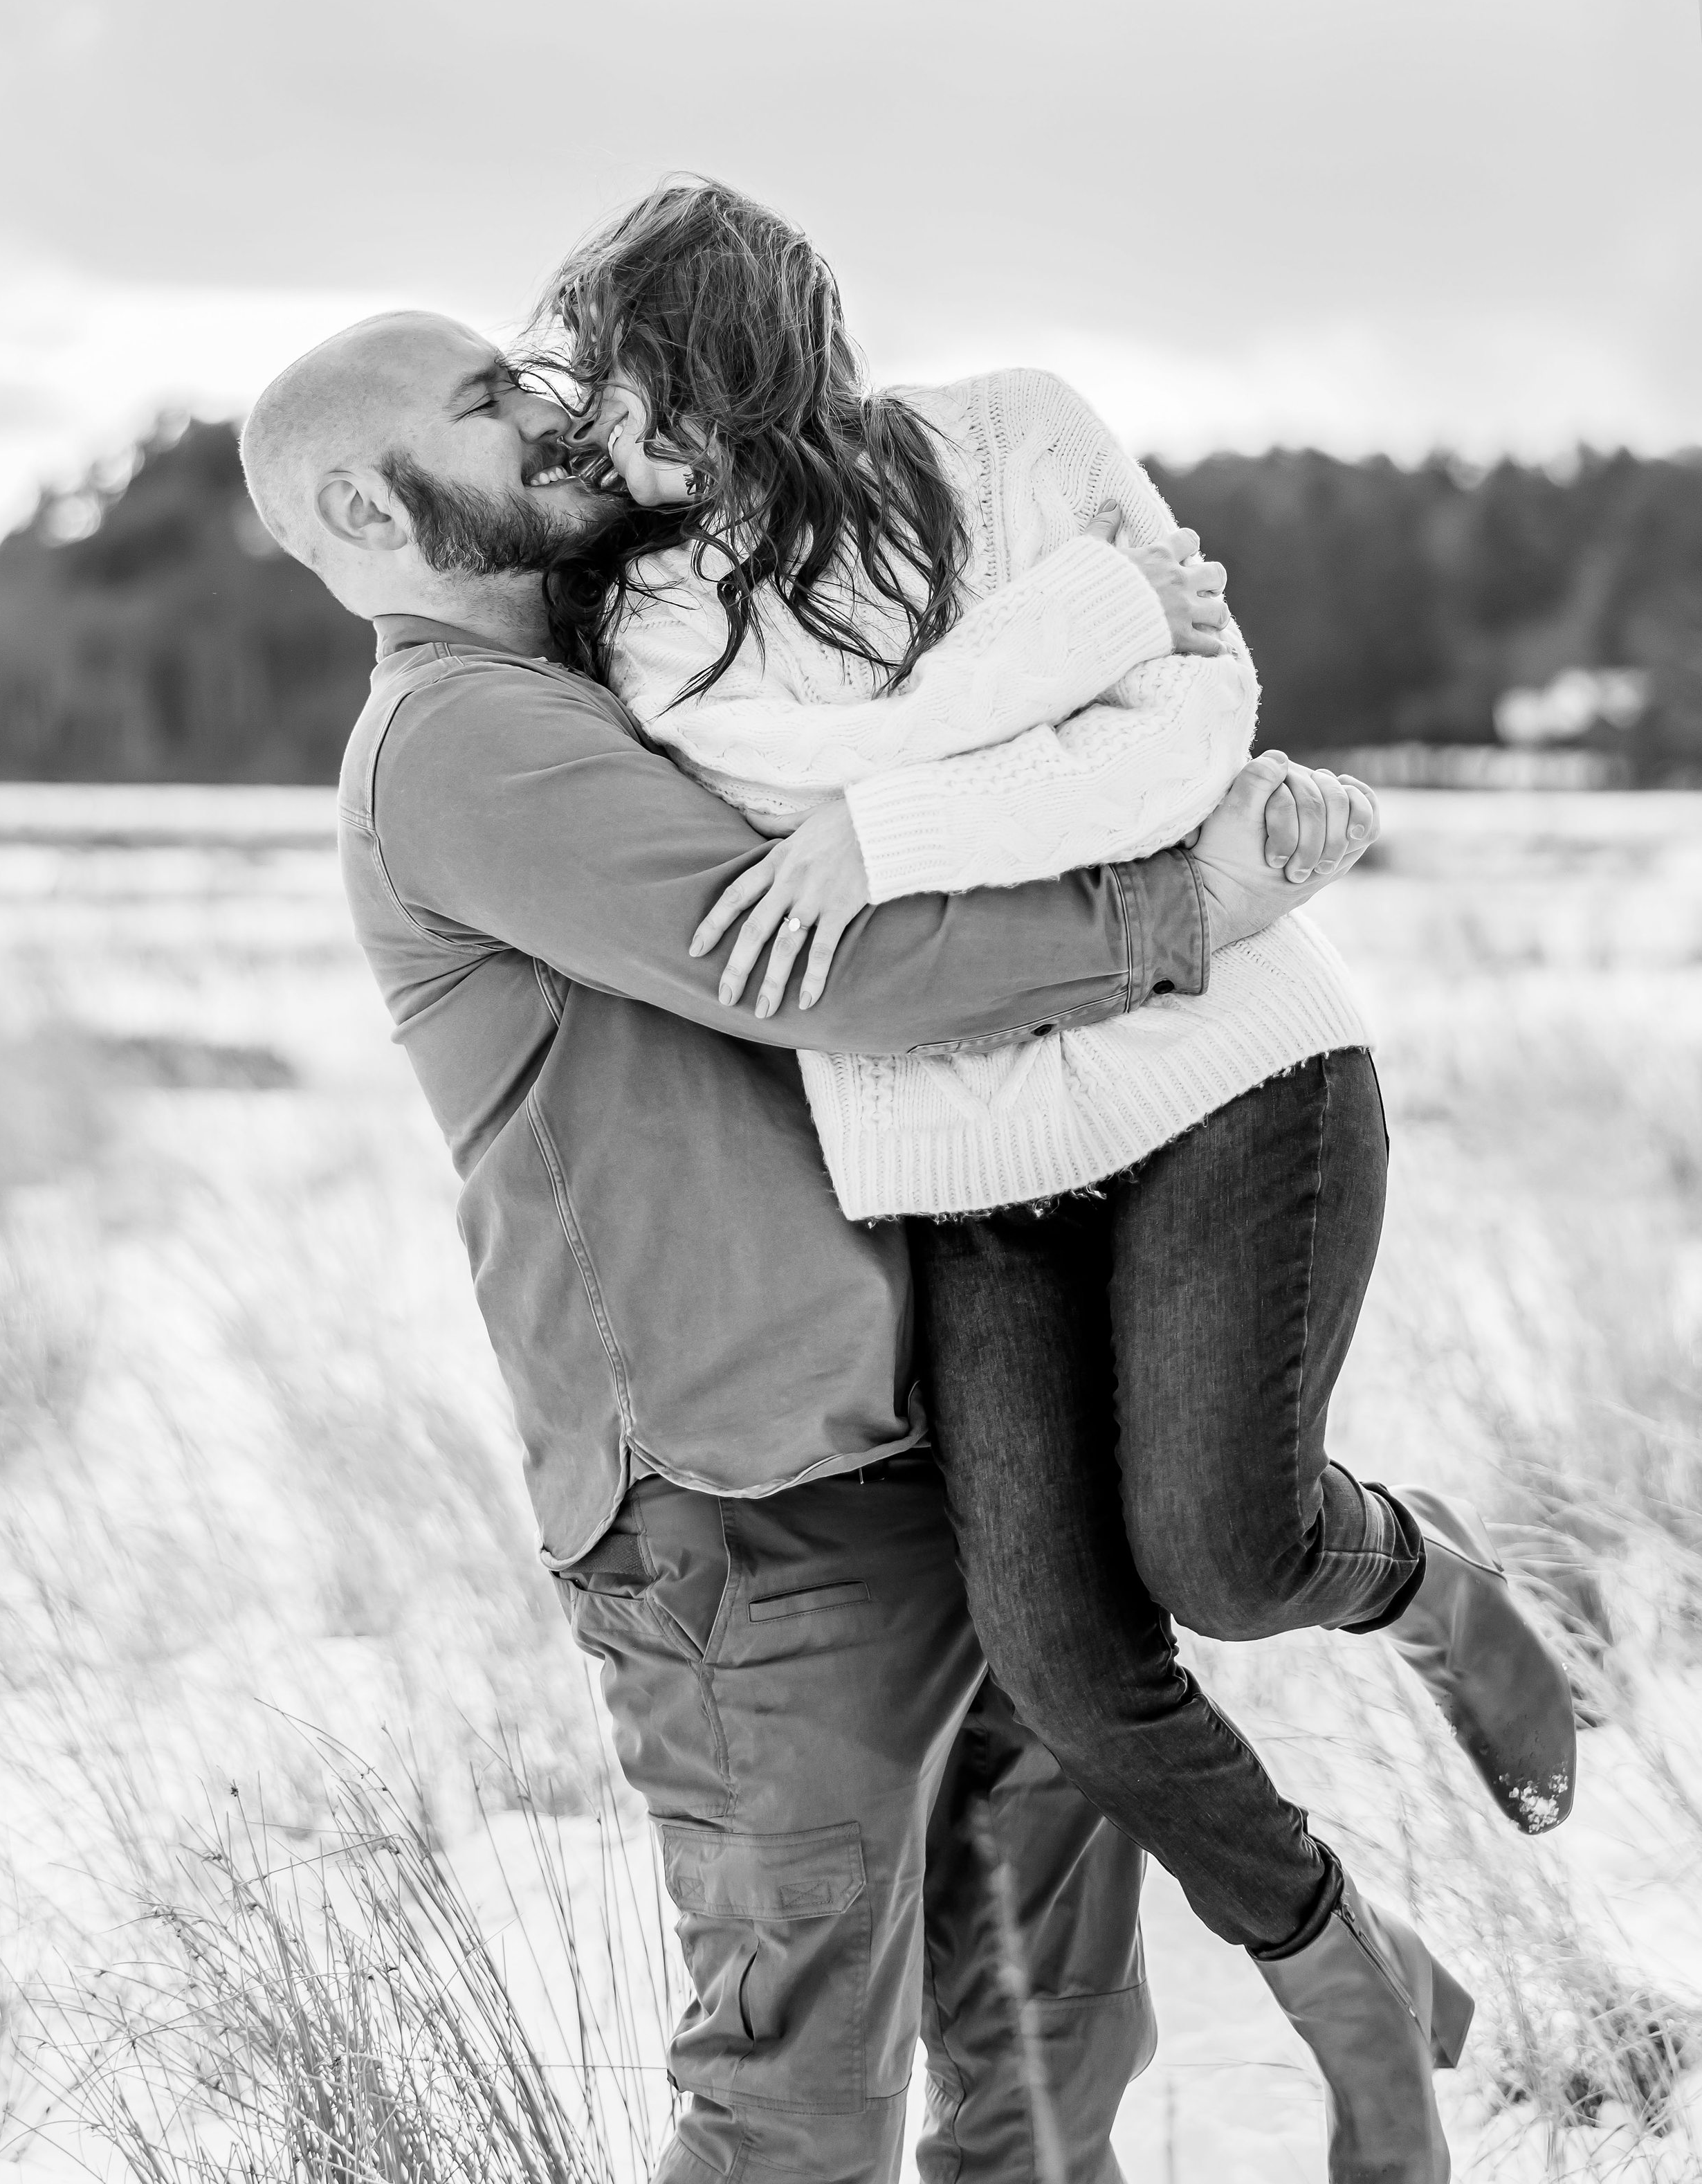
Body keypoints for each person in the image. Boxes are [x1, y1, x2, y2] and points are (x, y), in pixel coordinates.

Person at [240, 307, 1376, 2184]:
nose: (548, 419)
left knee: (1044, 2051)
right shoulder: (461, 743)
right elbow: (830, 966)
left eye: (528, 383)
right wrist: (1178, 912)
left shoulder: (641, 660)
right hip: (744, 1511)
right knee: (797, 2100)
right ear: (369, 498)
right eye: (485, 403)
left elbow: (931, 713)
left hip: (948, 1442)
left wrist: (1120, 603)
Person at [531, 177, 1580, 2184]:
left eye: (635, 378)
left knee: (1221, 1550)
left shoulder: (1017, 427)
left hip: (1230, 1061)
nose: (605, 433)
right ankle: (1349, 1986)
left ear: (738, 355)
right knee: (1066, 1655)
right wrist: (1077, 631)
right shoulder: (658, 626)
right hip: (969, 1152)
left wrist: (884, 818)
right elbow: (832, 805)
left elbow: (1189, 742)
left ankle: (1411, 1569)